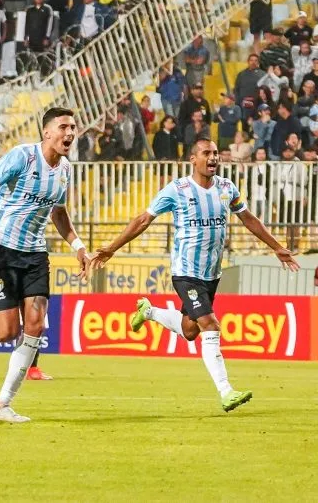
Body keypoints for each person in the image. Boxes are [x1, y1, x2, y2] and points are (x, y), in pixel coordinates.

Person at [90, 138, 299, 412]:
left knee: (190, 331)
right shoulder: (177, 190)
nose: (213, 158)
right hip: (185, 272)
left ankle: (149, 312)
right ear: (193, 159)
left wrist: (278, 248)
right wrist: (112, 248)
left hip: (211, 273)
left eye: (215, 153)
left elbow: (248, 218)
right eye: (206, 153)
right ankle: (226, 391)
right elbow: (143, 219)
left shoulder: (227, 188)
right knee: (210, 325)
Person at [0, 107, 89, 423]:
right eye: (63, 127)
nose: (70, 133)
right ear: (47, 132)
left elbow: (58, 212)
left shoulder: (65, 170)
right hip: (2, 250)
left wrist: (78, 246)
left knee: (34, 327)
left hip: (34, 255)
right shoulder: (22, 156)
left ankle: (2, 405)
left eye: (73, 127)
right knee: (7, 333)